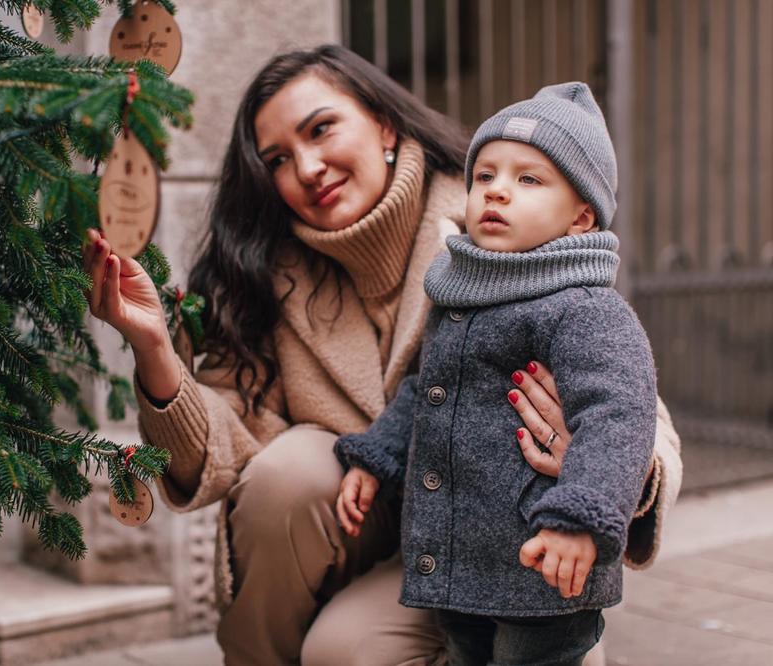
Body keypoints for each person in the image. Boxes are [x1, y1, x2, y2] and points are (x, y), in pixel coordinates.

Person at [82, 45, 682, 666]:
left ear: (385, 126)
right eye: (278, 159)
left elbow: (630, 405)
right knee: (289, 486)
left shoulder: (508, 243)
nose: (308, 167)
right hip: (387, 535)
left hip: (516, 546)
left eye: (321, 129)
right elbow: (222, 446)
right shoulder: (264, 271)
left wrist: (588, 489)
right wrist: (153, 348)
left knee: (404, 652)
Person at [335, 82, 656, 666]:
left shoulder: (584, 308)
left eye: (528, 179)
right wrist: (377, 456)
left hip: (544, 560)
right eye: (485, 175)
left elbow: (619, 416)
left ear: (581, 216)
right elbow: (427, 391)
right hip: (461, 559)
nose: (497, 190)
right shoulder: (462, 293)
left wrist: (580, 517)